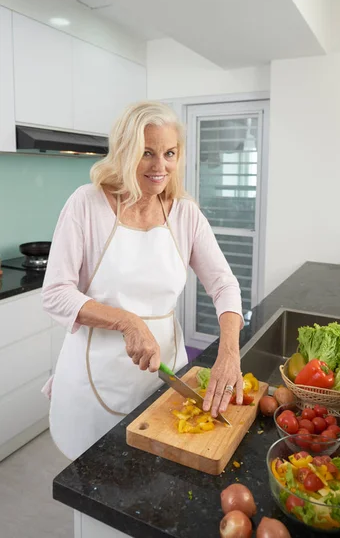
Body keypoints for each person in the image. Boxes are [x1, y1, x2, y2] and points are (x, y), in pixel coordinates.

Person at [42, 101, 243, 460]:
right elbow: (56, 294)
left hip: (165, 374)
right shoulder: (86, 204)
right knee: (95, 487)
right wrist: (127, 321)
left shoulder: (184, 213)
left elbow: (224, 284)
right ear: (124, 152)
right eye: (146, 152)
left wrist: (229, 351)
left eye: (169, 153)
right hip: (93, 379)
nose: (159, 165)